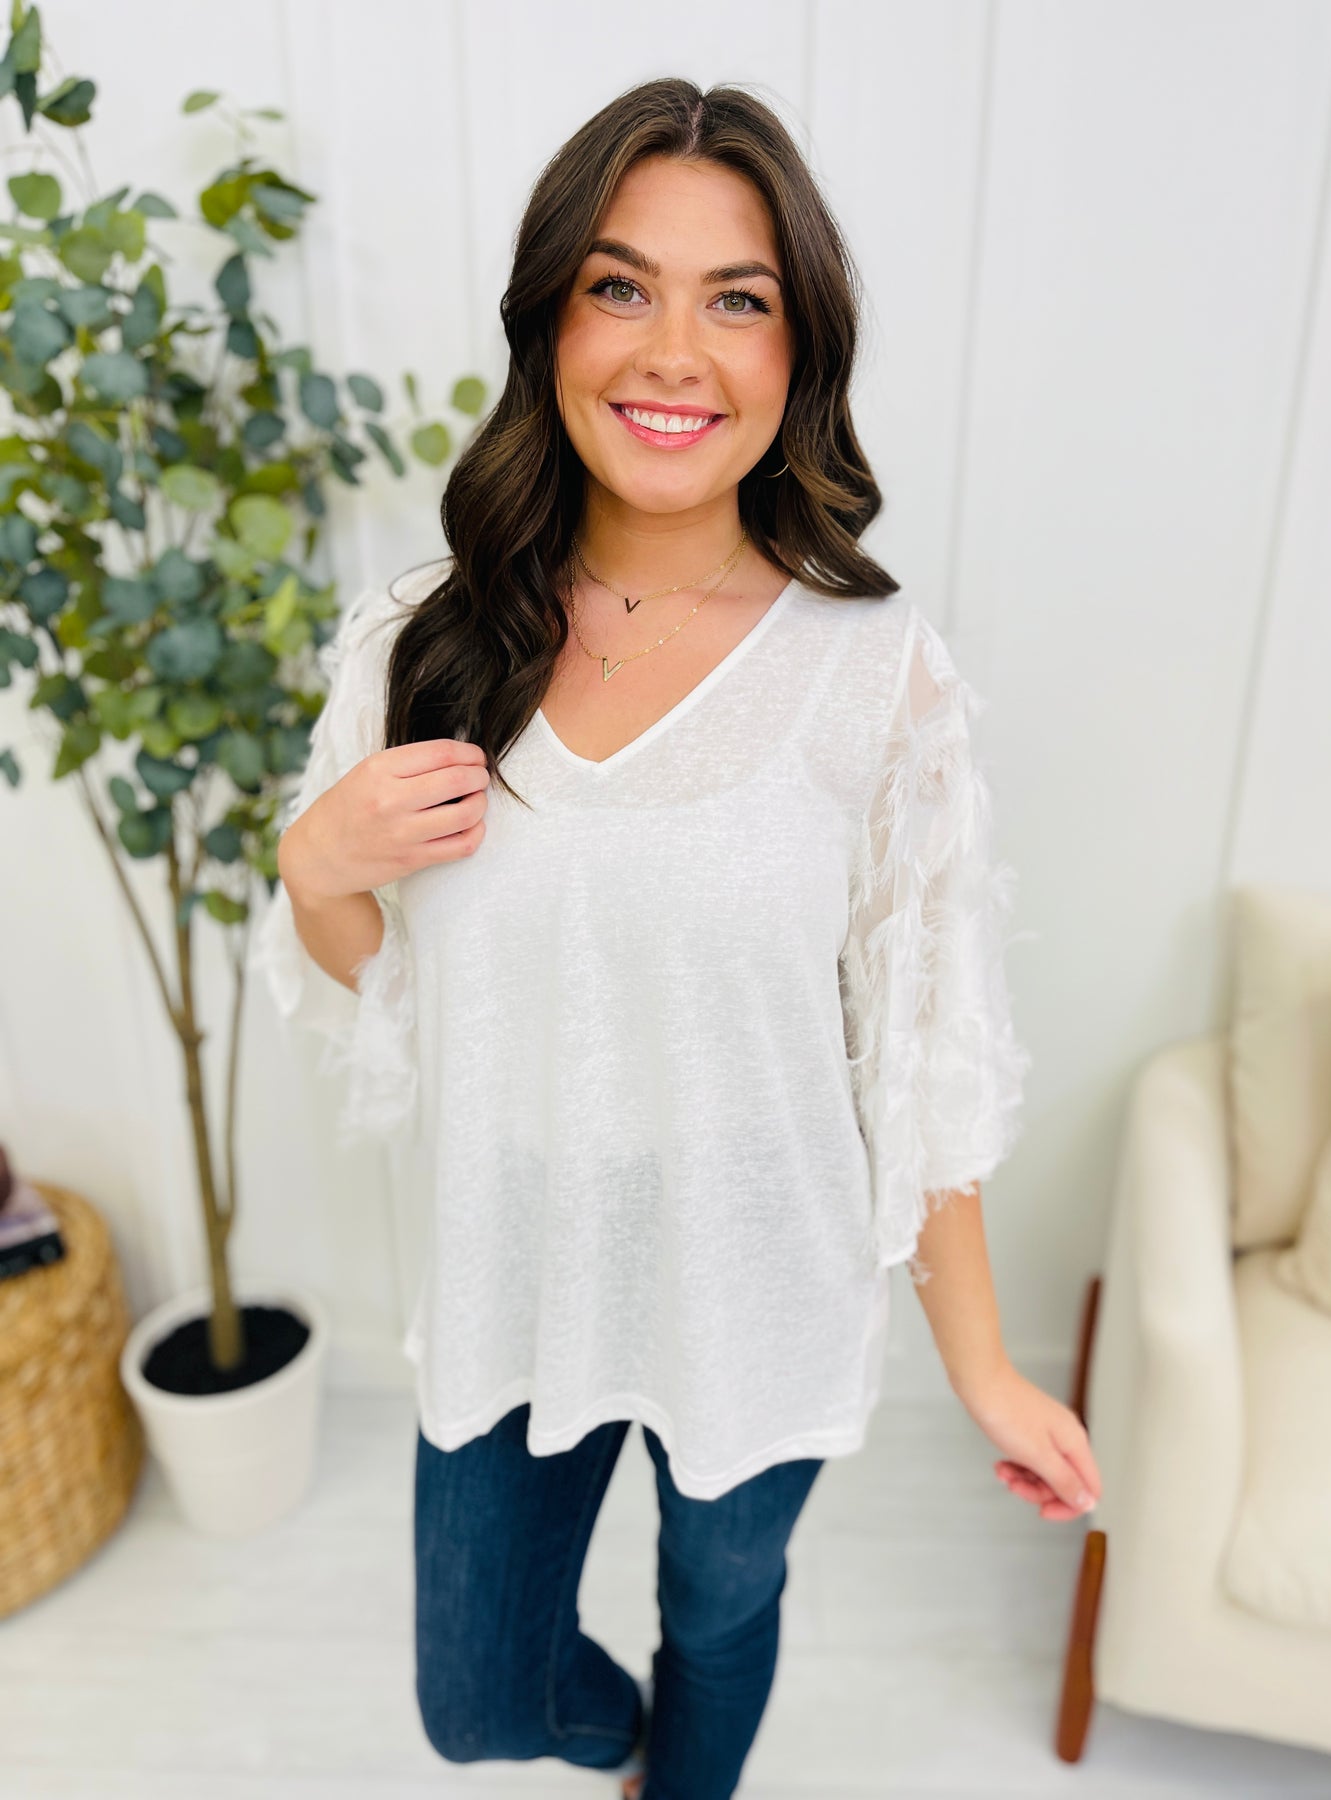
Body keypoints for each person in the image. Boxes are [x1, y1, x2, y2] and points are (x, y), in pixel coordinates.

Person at [252, 76, 1102, 1800]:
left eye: (738, 300)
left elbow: (921, 1058)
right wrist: (313, 862)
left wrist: (985, 1369)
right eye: (620, 286)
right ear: (551, 320)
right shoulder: (424, 645)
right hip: (511, 1271)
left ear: (799, 352)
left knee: (717, 1618)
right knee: (476, 1699)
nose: (671, 352)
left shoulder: (874, 676)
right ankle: (635, 1753)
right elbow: (397, 994)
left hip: (760, 1283)